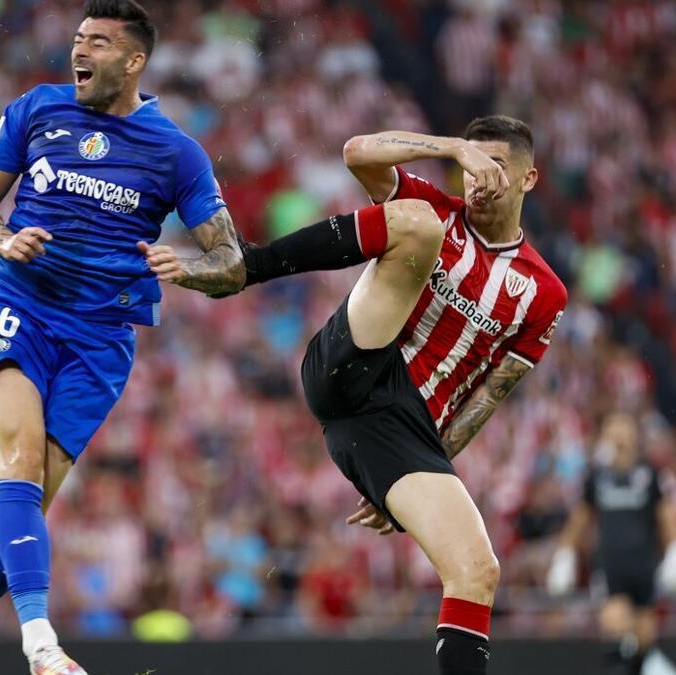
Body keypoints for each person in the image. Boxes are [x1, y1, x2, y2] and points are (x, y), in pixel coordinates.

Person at [170, 115, 568, 674]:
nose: (480, 177)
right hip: (357, 362)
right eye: (473, 165)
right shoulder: (438, 210)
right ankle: (248, 266)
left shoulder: (545, 293)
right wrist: (452, 147)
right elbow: (357, 151)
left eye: (496, 165)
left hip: (394, 429)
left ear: (529, 178)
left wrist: (401, 479)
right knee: (418, 222)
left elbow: (487, 397)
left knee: (477, 570)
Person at [0, 1, 244, 673]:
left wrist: (189, 268)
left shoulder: (176, 152)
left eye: (99, 43)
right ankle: (40, 643)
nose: (80, 51)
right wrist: (5, 239)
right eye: (79, 39)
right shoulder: (36, 109)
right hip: (19, 304)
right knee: (19, 461)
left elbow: (232, 261)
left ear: (134, 61)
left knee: (34, 497)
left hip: (102, 337)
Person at [547, 412, 676, 675]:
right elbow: (579, 520)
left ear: (634, 437)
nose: (620, 440)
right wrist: (564, 555)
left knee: (643, 639)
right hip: (610, 567)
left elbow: (668, 518)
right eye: (614, 434)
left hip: (644, 568)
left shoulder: (650, 475)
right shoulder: (596, 477)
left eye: (624, 433)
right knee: (615, 628)